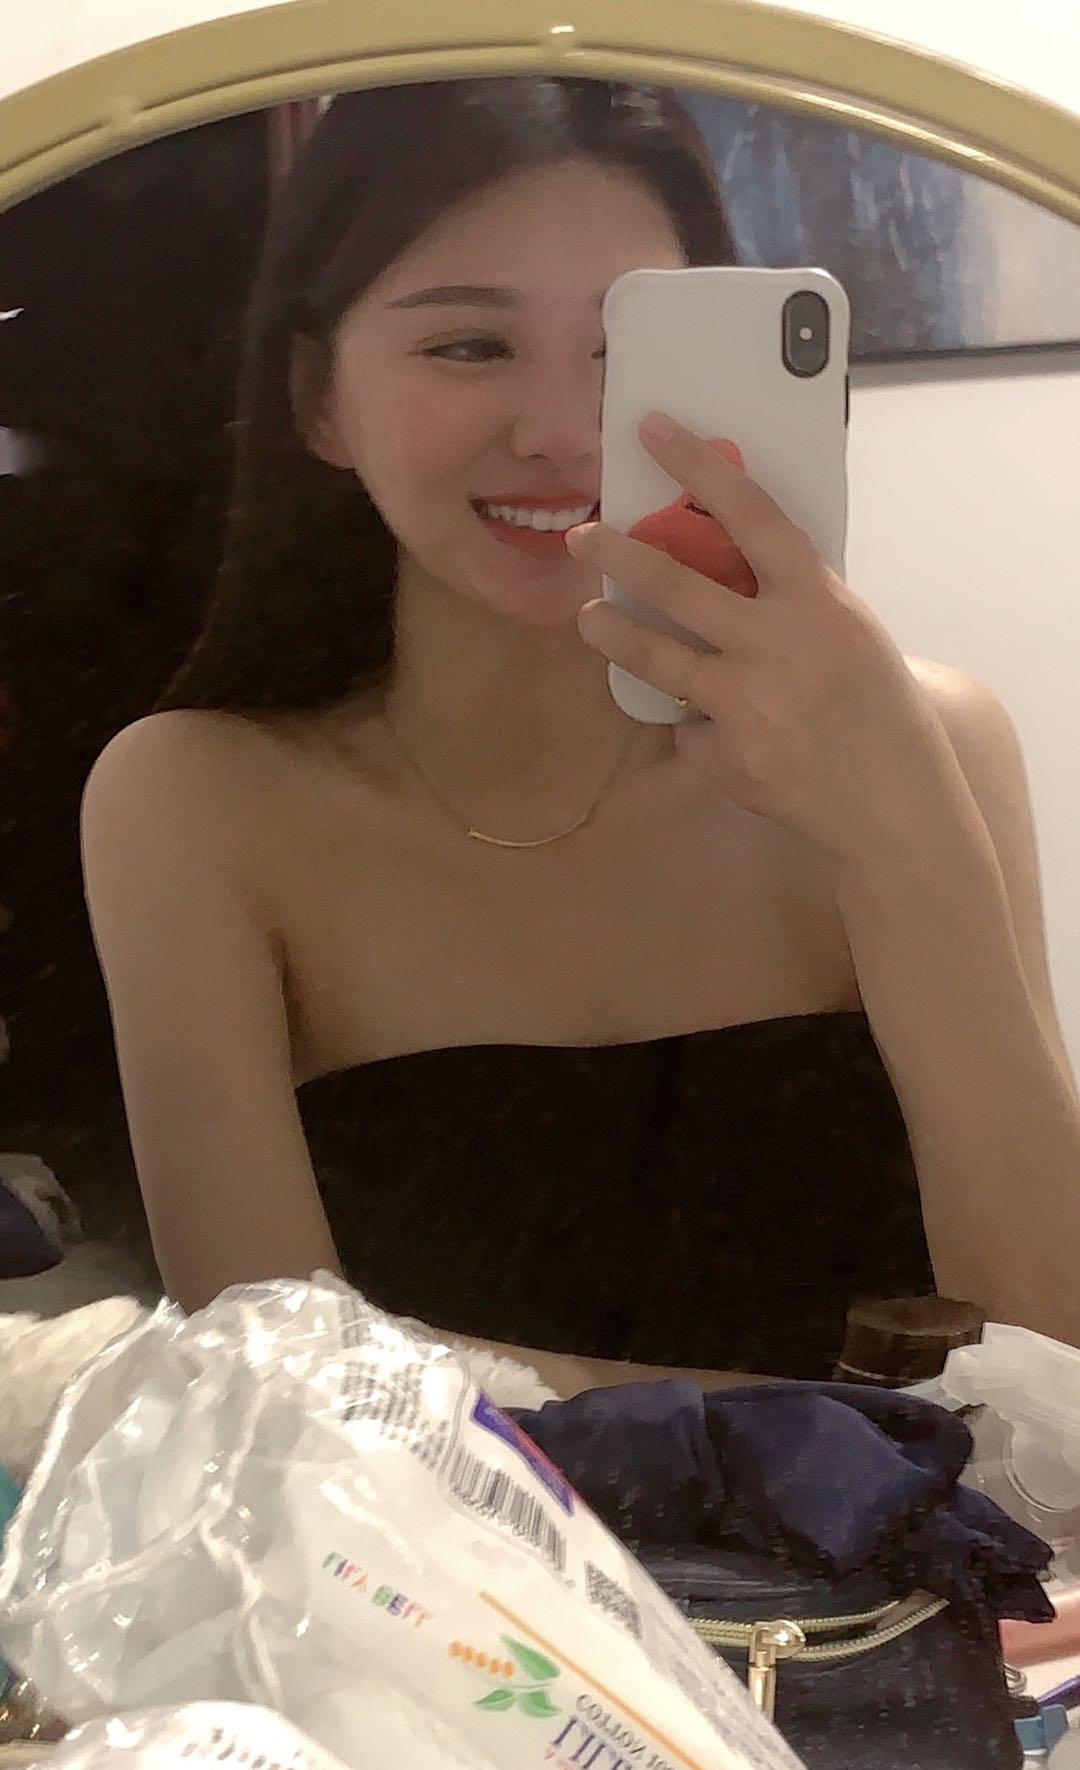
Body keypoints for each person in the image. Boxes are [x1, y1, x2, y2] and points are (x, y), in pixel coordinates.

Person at [81, 77, 1080, 1393]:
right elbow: (273, 1384)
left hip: (927, 1541)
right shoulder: (198, 805)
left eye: (626, 352)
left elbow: (1054, 1361)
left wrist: (904, 835)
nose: (560, 434)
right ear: (320, 399)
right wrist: (827, 1439)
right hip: (438, 1549)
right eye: (468, 347)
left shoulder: (930, 742)